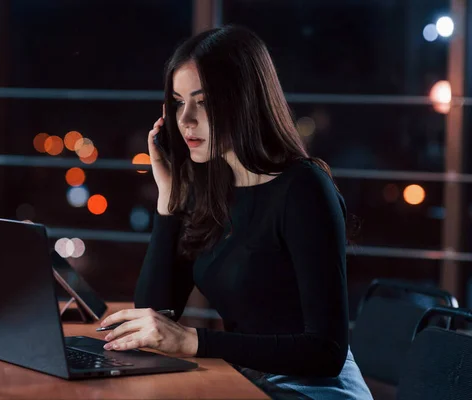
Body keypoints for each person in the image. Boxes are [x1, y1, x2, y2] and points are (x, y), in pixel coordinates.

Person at [98, 25, 372, 399]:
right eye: (178, 102)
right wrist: (170, 200)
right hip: (245, 382)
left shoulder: (304, 188)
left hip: (311, 390)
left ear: (245, 101)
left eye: (204, 101)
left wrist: (193, 342)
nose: (186, 119)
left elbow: (326, 352)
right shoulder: (212, 189)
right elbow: (157, 313)